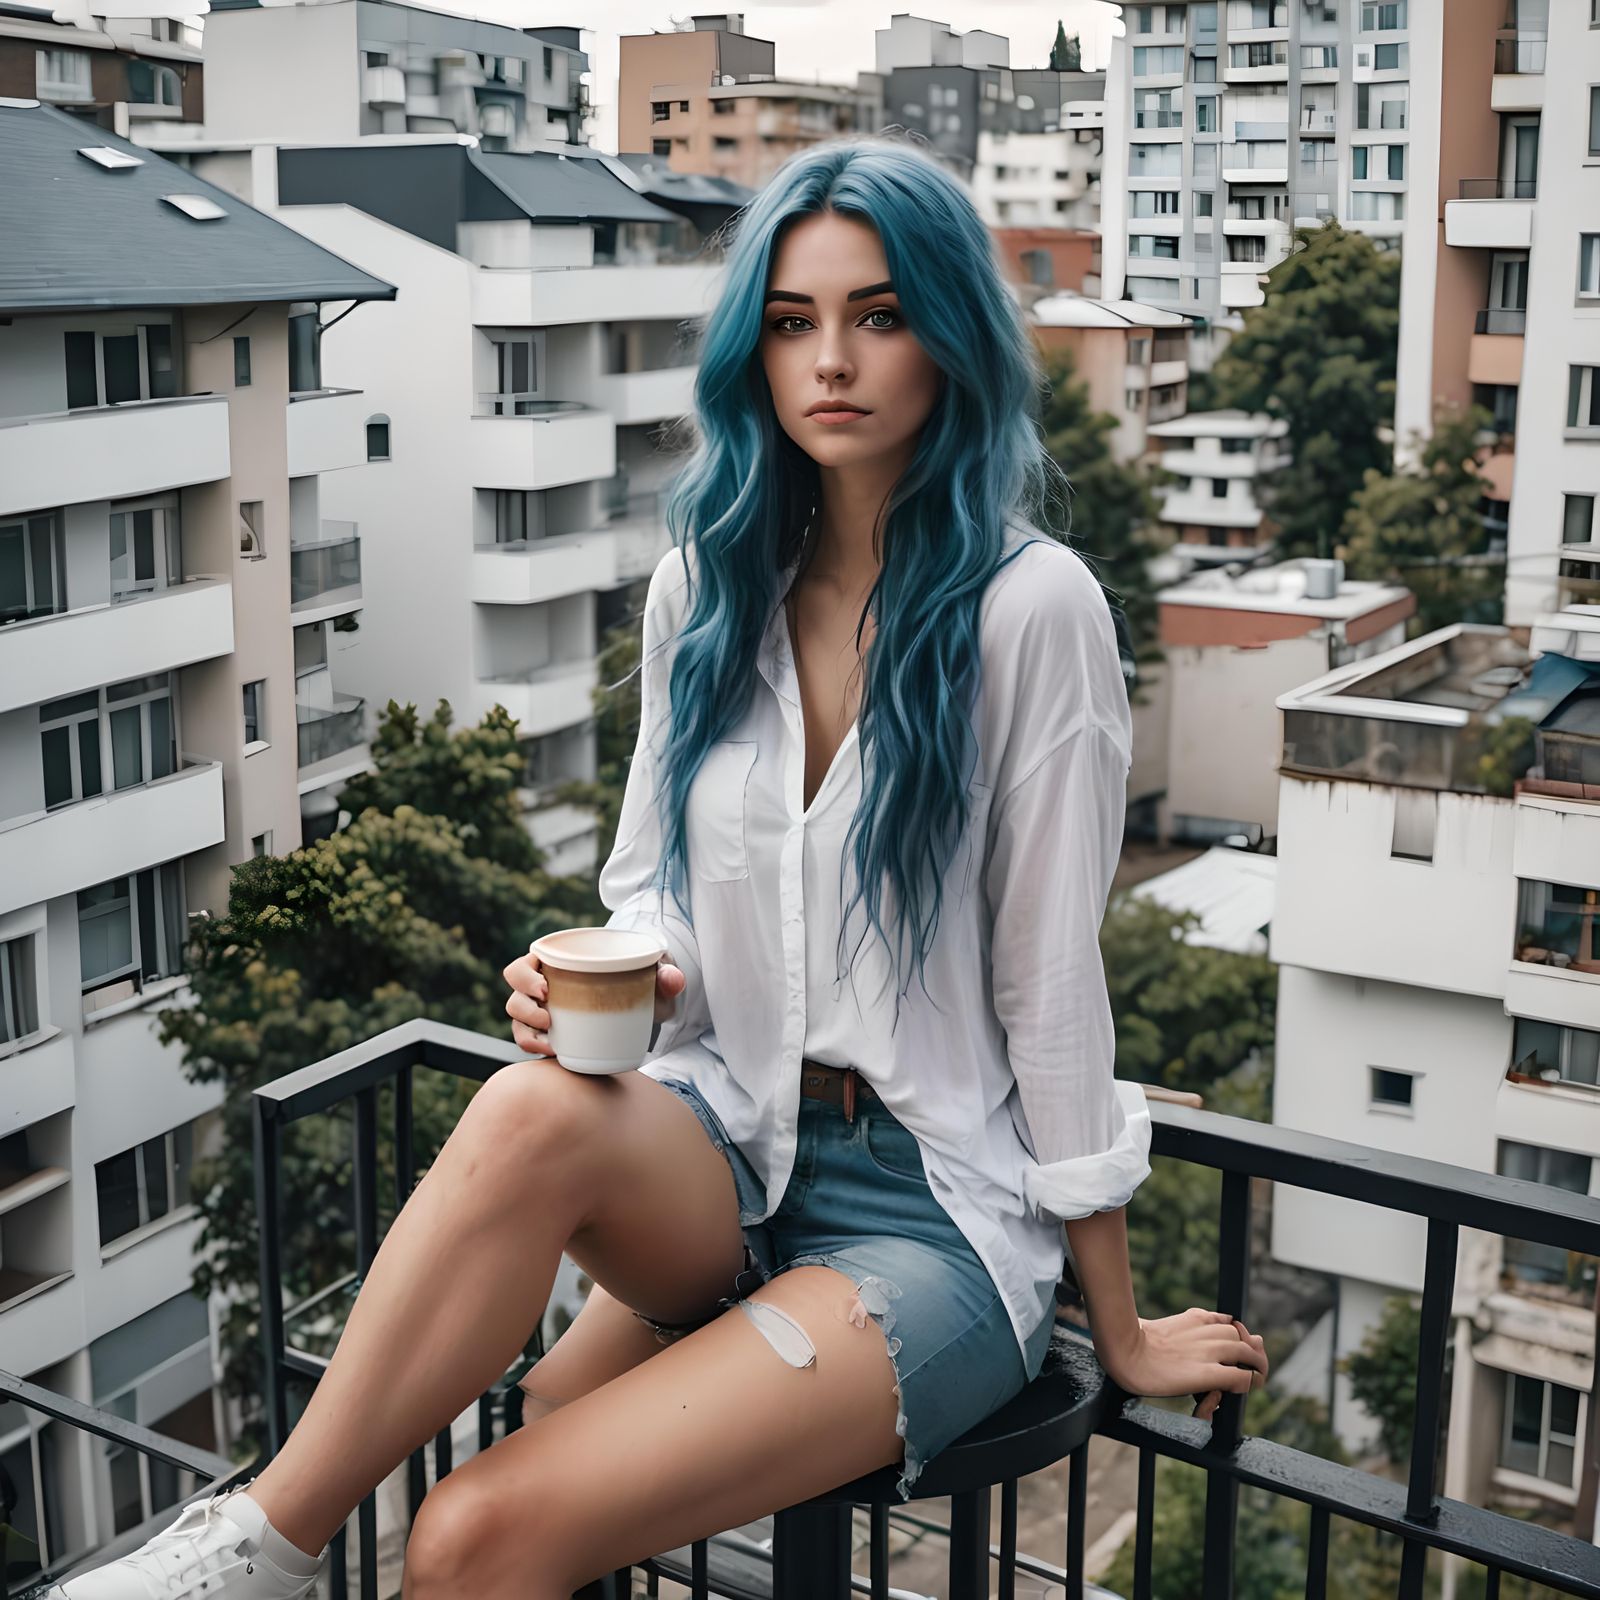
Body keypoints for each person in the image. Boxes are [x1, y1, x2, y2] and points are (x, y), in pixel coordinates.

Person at [53, 136, 1267, 1600]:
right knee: (522, 1107)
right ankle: (262, 1545)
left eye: (879, 316)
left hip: (928, 1214)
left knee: (470, 1537)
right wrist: (600, 993)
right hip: (725, 1145)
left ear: (950, 334)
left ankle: (278, 1549)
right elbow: (653, 893)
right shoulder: (707, 585)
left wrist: (1119, 1325)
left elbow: (1053, 989)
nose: (832, 360)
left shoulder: (1033, 611)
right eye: (792, 320)